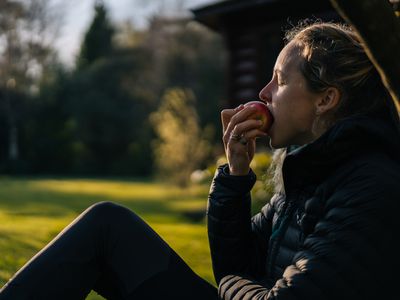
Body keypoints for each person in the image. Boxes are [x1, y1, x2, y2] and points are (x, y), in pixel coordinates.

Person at [1, 20, 399, 300]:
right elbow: (236, 260)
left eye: (279, 80)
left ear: (326, 99)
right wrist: (235, 177)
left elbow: (236, 276)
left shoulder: (371, 185)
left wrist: (230, 282)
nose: (263, 91)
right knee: (108, 225)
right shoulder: (311, 173)